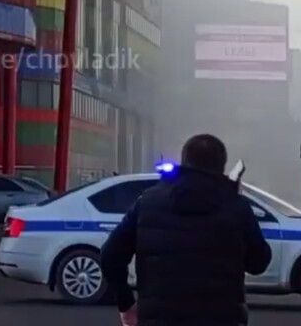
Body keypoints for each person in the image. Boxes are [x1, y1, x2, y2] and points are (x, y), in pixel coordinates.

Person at [99, 134, 272, 326]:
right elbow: (258, 263)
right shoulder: (236, 208)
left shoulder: (147, 203)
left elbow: (110, 255)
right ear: (221, 166)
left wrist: (126, 304)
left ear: (184, 160)